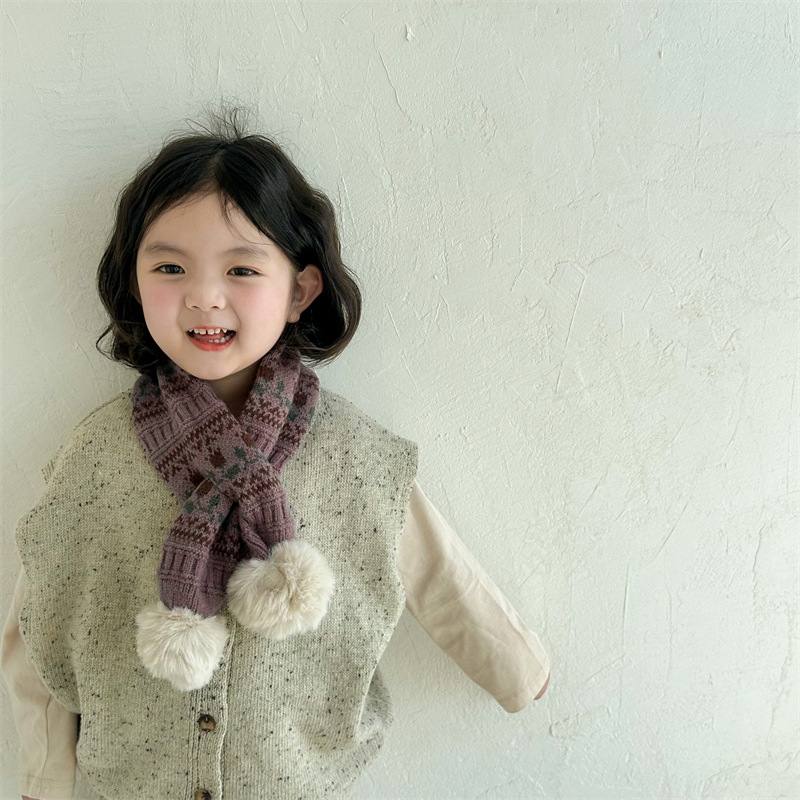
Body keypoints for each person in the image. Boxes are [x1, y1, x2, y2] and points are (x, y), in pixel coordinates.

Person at [1, 107, 551, 800]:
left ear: (301, 290)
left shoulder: (355, 455)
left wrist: (515, 666)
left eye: (241, 269)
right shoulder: (94, 457)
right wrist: (45, 773)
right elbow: (42, 619)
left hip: (299, 780)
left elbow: (434, 570)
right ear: (135, 285)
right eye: (169, 267)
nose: (204, 297)